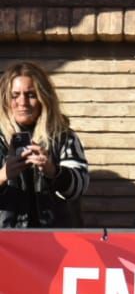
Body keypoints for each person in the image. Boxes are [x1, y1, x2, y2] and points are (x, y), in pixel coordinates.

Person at [0, 62, 88, 228]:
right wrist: (4, 175)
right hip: (5, 243)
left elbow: (79, 186)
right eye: (15, 95)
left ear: (43, 98)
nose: (22, 102)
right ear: (5, 99)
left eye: (31, 95)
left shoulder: (63, 137)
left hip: (54, 241)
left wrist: (53, 171)